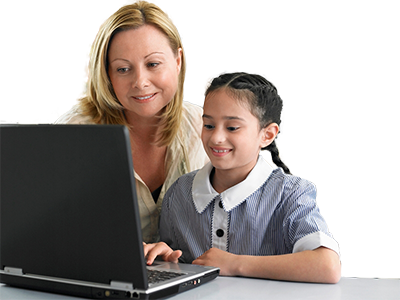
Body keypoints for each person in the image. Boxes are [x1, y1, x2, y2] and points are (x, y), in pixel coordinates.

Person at [144, 72, 342, 284]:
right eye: (209, 125)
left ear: (267, 135)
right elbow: (179, 262)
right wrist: (164, 255)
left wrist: (234, 263)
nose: (216, 138)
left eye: (232, 128)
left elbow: (327, 266)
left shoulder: (290, 193)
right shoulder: (180, 192)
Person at [55, 1, 207, 243]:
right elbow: (53, 230)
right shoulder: (75, 134)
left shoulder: (204, 125)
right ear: (107, 74)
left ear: (177, 61)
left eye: (153, 64)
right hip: (105, 275)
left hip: (189, 273)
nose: (140, 81)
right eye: (123, 69)